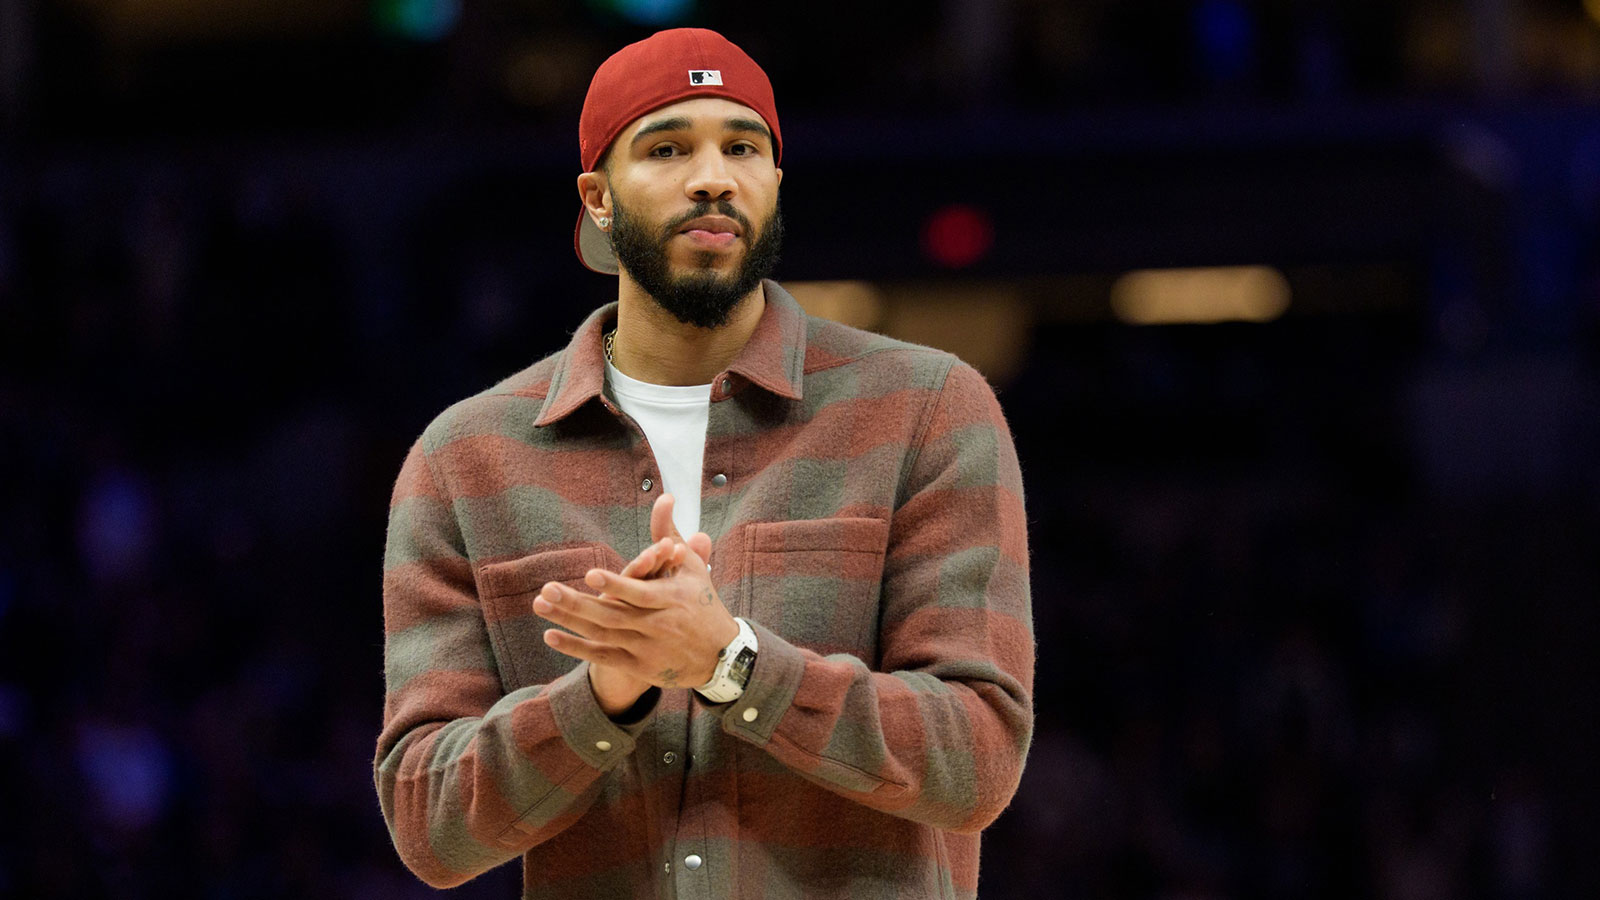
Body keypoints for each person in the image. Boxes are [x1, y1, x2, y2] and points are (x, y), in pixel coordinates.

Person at [375, 27, 1033, 900]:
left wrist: (732, 662)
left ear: (773, 183)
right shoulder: (465, 460)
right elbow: (428, 824)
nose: (713, 174)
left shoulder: (927, 409)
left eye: (742, 146)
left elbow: (977, 759)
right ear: (598, 198)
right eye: (668, 147)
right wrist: (602, 697)